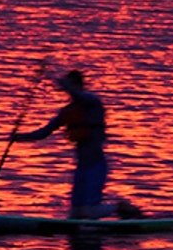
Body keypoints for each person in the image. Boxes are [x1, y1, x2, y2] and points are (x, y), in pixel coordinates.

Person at [12, 69, 139, 219]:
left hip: (96, 166)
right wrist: (19, 137)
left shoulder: (93, 103)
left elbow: (79, 95)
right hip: (82, 167)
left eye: (72, 86)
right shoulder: (68, 111)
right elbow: (44, 132)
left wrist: (63, 84)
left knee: (88, 211)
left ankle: (122, 209)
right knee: (76, 213)